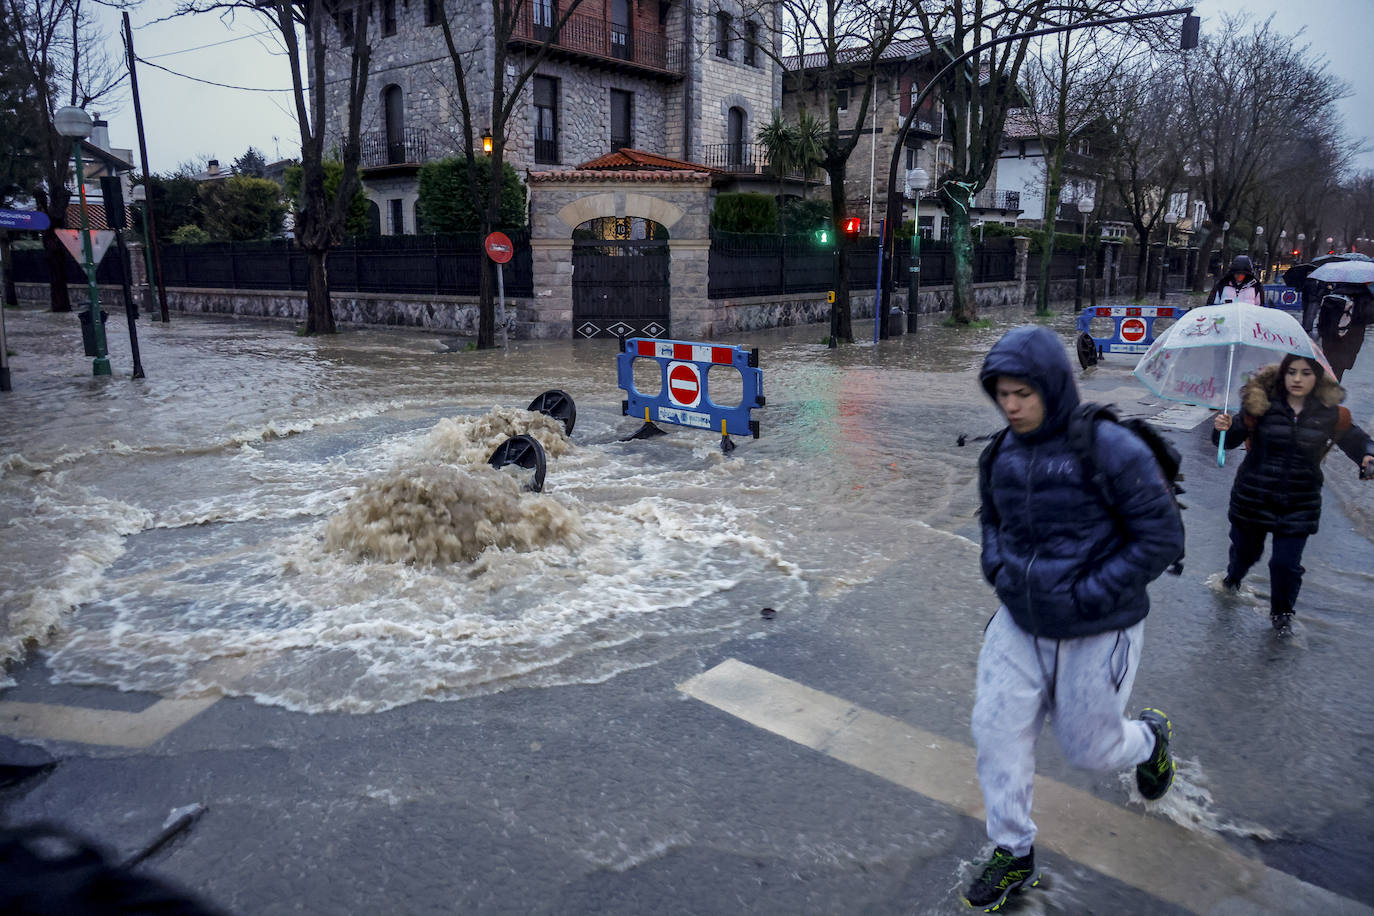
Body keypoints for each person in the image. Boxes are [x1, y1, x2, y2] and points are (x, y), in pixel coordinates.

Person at [965, 326, 1185, 912]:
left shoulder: (1110, 447)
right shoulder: (1001, 451)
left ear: (1052, 387)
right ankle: (1014, 851)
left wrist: (1090, 593)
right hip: (1019, 621)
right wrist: (998, 567)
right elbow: (991, 517)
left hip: (1099, 626)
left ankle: (1150, 739)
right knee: (995, 733)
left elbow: (1161, 537)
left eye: (1023, 393)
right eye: (1002, 394)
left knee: (1090, 750)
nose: (1011, 406)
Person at [1212, 353, 1374, 632]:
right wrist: (1222, 430)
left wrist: (1368, 456)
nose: (1297, 379)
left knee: (1285, 565)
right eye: (1292, 372)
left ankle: (1282, 615)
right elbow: (1228, 442)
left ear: (1317, 378)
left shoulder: (1332, 414)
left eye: (1306, 373)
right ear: (1282, 375)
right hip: (1254, 496)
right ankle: (1232, 579)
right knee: (1245, 554)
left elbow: (1358, 441)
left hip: (1300, 500)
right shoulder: (1258, 406)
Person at [1315, 286, 1372, 382]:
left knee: (1328, 364)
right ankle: (1332, 388)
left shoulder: (1333, 294)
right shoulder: (1364, 296)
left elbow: (1322, 320)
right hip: (1349, 339)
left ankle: (1324, 386)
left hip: (1329, 337)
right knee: (1339, 368)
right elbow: (1369, 318)